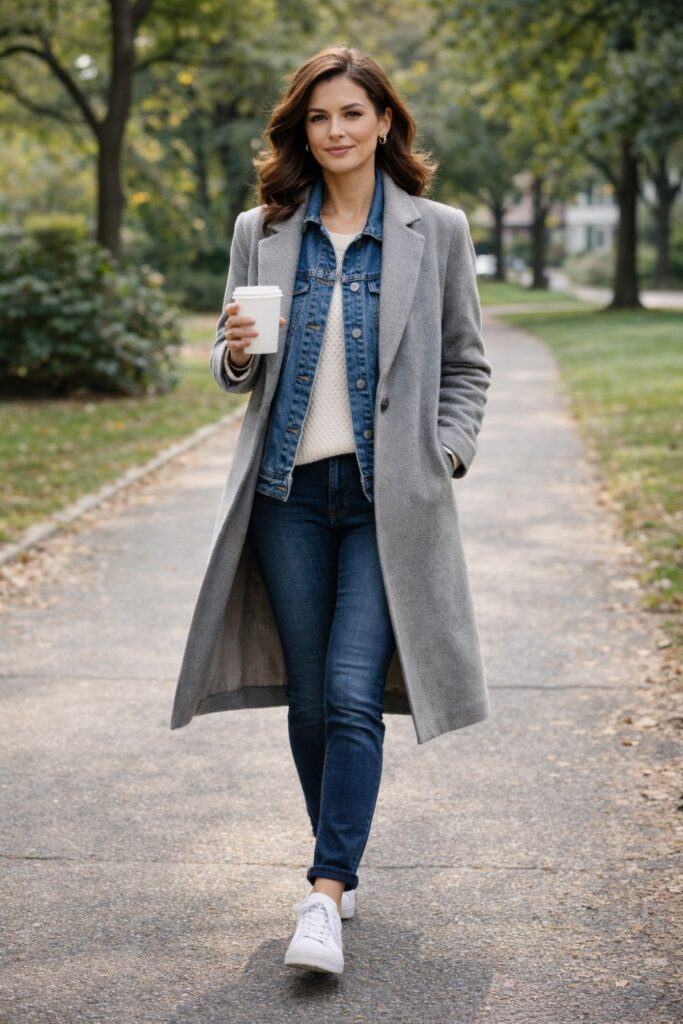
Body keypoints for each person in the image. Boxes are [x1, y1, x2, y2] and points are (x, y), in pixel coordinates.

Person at [172, 44, 492, 977]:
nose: (336, 130)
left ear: (384, 122)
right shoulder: (263, 230)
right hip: (287, 498)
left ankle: (323, 892)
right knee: (311, 698)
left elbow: (465, 365)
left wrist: (443, 453)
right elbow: (235, 367)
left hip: (387, 503)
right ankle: (338, 865)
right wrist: (234, 352)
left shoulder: (437, 231)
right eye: (318, 117)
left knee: (354, 690)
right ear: (300, 131)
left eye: (352, 113)